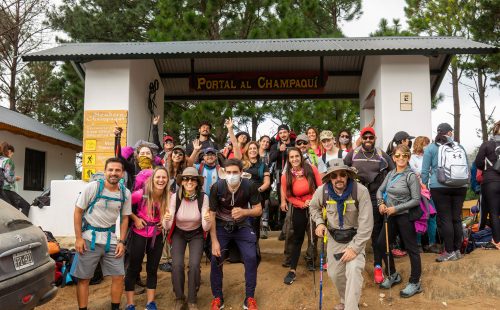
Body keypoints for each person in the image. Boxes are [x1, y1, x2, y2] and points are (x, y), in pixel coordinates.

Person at [310, 158, 373, 310]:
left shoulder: (360, 191)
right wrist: (319, 222)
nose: (338, 179)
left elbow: (366, 224)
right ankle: (346, 300)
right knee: (335, 274)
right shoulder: (322, 191)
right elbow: (313, 207)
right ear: (329, 178)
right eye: (334, 175)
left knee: (353, 269)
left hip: (355, 237)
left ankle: (351, 307)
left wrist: (355, 248)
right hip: (333, 238)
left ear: (348, 176)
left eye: (342, 175)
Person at [71, 158, 131, 310]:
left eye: (117, 170)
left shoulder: (125, 193)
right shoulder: (92, 188)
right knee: (84, 279)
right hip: (88, 238)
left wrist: (122, 242)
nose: (113, 173)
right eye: (110, 170)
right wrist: (78, 238)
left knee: (118, 276)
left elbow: (125, 218)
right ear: (105, 172)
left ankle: (115, 308)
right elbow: (78, 212)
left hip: (111, 240)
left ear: (122, 173)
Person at [209, 159, 262, 310]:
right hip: (220, 225)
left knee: (251, 257)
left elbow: (258, 210)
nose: (231, 175)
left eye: (235, 172)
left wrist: (245, 211)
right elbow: (211, 215)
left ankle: (250, 297)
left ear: (241, 173)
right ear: (224, 173)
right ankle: (217, 297)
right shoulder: (217, 187)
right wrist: (214, 241)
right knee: (216, 258)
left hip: (243, 225)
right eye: (228, 172)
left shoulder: (249, 186)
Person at [344, 126, 394, 284]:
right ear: (361, 138)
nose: (367, 140)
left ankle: (378, 266)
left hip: (374, 195)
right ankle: (348, 261)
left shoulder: (381, 154)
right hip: (356, 195)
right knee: (352, 228)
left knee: (376, 231)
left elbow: (393, 172)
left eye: (370, 138)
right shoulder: (353, 154)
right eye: (364, 138)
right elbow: (343, 171)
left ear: (374, 138)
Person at [376, 145, 422, 297]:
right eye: (398, 156)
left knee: (411, 249)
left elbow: (416, 200)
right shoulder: (390, 174)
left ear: (409, 158)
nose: (401, 158)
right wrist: (381, 203)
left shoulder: (411, 176)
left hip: (404, 216)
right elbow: (380, 191)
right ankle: (393, 274)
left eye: (405, 155)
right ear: (393, 158)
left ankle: (415, 282)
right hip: (390, 215)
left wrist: (396, 209)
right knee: (382, 244)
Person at [163, 167, 211, 310]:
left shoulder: (203, 197)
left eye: (193, 179)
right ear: (182, 182)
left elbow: (206, 227)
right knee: (177, 265)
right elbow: (167, 225)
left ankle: (192, 299)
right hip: (179, 232)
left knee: (195, 265)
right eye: (186, 179)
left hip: (196, 233)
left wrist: (208, 220)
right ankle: (179, 297)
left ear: (197, 182)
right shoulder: (175, 197)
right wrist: (166, 219)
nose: (189, 181)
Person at [421, 123, 469, 262]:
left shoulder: (430, 148)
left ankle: (449, 251)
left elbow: (425, 171)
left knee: (445, 219)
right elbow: (467, 166)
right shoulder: (459, 147)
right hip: (460, 186)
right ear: (450, 133)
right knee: (456, 218)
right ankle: (457, 250)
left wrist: (425, 187)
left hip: (439, 186)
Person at [125, 167, 169, 310]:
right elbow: (124, 207)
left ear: (168, 180)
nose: (161, 180)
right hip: (139, 234)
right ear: (152, 179)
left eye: (164, 177)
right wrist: (135, 218)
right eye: (158, 177)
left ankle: (150, 303)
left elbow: (172, 213)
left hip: (156, 236)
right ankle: (130, 304)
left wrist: (165, 222)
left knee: (152, 269)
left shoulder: (169, 196)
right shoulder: (140, 194)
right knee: (133, 268)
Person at [281, 147, 322, 285]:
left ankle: (311, 261)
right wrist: (301, 203)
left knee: (314, 236)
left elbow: (320, 187)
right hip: (299, 208)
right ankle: (292, 270)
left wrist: (313, 201)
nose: (294, 159)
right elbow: (288, 196)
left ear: (301, 156)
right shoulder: (285, 176)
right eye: (291, 157)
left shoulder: (312, 169)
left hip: (314, 206)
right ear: (289, 159)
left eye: (296, 156)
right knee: (297, 238)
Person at [410, 136, 439, 254]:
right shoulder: (412, 158)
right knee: (419, 217)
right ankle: (418, 244)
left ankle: (432, 243)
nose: (428, 146)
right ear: (420, 144)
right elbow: (415, 173)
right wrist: (423, 172)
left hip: (430, 190)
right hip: (419, 191)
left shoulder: (430, 157)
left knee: (432, 217)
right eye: (426, 144)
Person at [474, 120, 500, 250]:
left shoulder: (486, 145)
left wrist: (486, 168)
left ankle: (497, 241)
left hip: (490, 181)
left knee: (494, 213)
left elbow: (478, 163)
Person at [269, 124, 295, 236]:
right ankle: (285, 229)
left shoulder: (294, 144)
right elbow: (271, 158)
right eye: (280, 133)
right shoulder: (275, 145)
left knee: (294, 199)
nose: (283, 134)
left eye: (285, 132)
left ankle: (293, 227)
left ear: (289, 132)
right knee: (282, 201)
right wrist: (279, 150)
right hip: (281, 176)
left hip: (295, 175)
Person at [243, 141, 271, 239]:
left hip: (258, 196)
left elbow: (267, 182)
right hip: (243, 196)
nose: (252, 150)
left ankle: (255, 247)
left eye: (254, 148)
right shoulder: (242, 164)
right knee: (244, 221)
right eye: (250, 148)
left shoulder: (263, 165)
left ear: (258, 150)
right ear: (247, 151)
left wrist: (257, 191)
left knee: (255, 222)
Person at [0, 142, 31, 216]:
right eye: (12, 154)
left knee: (12, 210)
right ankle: (23, 225)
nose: (11, 156)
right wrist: (16, 178)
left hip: (1, 191)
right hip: (6, 190)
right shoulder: (8, 161)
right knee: (26, 205)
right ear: (9, 151)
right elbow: (9, 178)